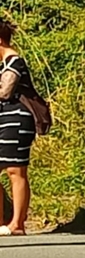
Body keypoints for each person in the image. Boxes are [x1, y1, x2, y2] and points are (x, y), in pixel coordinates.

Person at [0, 18, 37, 235]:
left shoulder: (15, 62)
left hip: (17, 120)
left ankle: (17, 223)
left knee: (15, 170)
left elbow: (5, 91)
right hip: (4, 118)